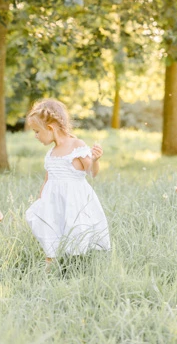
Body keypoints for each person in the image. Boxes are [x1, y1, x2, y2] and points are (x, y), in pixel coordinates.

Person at [25, 99, 110, 262]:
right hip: (54, 202)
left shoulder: (77, 145)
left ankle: (77, 264)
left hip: (73, 201)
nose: (36, 136)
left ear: (49, 128)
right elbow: (47, 179)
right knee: (51, 230)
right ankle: (51, 266)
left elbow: (91, 172)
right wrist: (41, 199)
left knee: (75, 230)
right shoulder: (51, 153)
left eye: (36, 131)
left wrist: (95, 160)